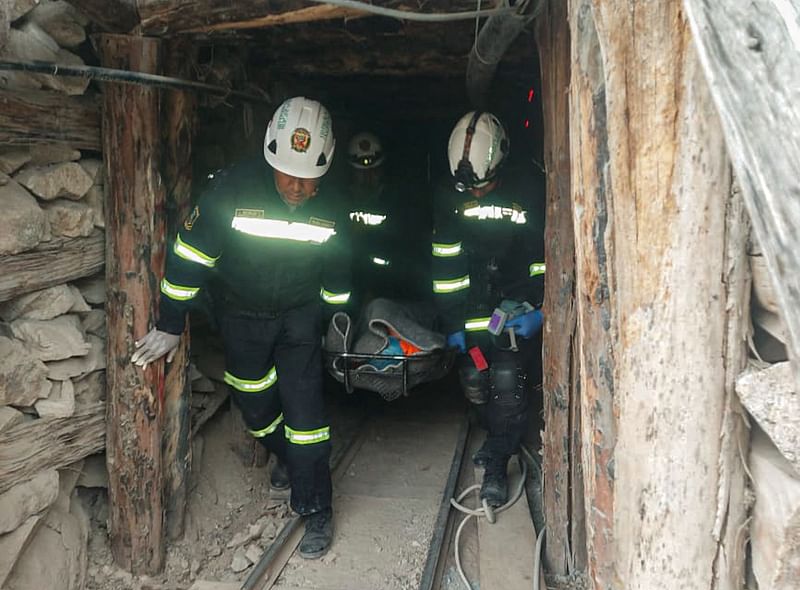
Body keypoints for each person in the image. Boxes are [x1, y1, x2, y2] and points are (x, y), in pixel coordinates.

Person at [130, 96, 352, 559]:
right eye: (289, 174)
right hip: (242, 315)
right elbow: (189, 257)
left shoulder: (333, 205)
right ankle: (287, 458)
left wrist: (335, 318)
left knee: (307, 419)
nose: (296, 187)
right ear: (270, 157)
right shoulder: (230, 192)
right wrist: (171, 324)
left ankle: (316, 509)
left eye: (308, 180)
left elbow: (338, 268)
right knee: (254, 404)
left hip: (298, 319)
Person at [431, 110, 545, 507]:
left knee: (507, 383)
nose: (477, 193)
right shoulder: (449, 197)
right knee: (478, 383)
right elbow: (446, 264)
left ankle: (497, 462)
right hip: (474, 315)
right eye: (470, 188)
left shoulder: (530, 189)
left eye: (484, 184)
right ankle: (494, 432)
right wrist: (452, 325)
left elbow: (545, 256)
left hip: (515, 312)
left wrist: (539, 306)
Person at [344, 131, 431, 310]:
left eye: (373, 171)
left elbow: (405, 249)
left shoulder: (398, 203)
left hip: (389, 290)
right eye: (361, 172)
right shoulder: (341, 202)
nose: (367, 177)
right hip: (349, 286)